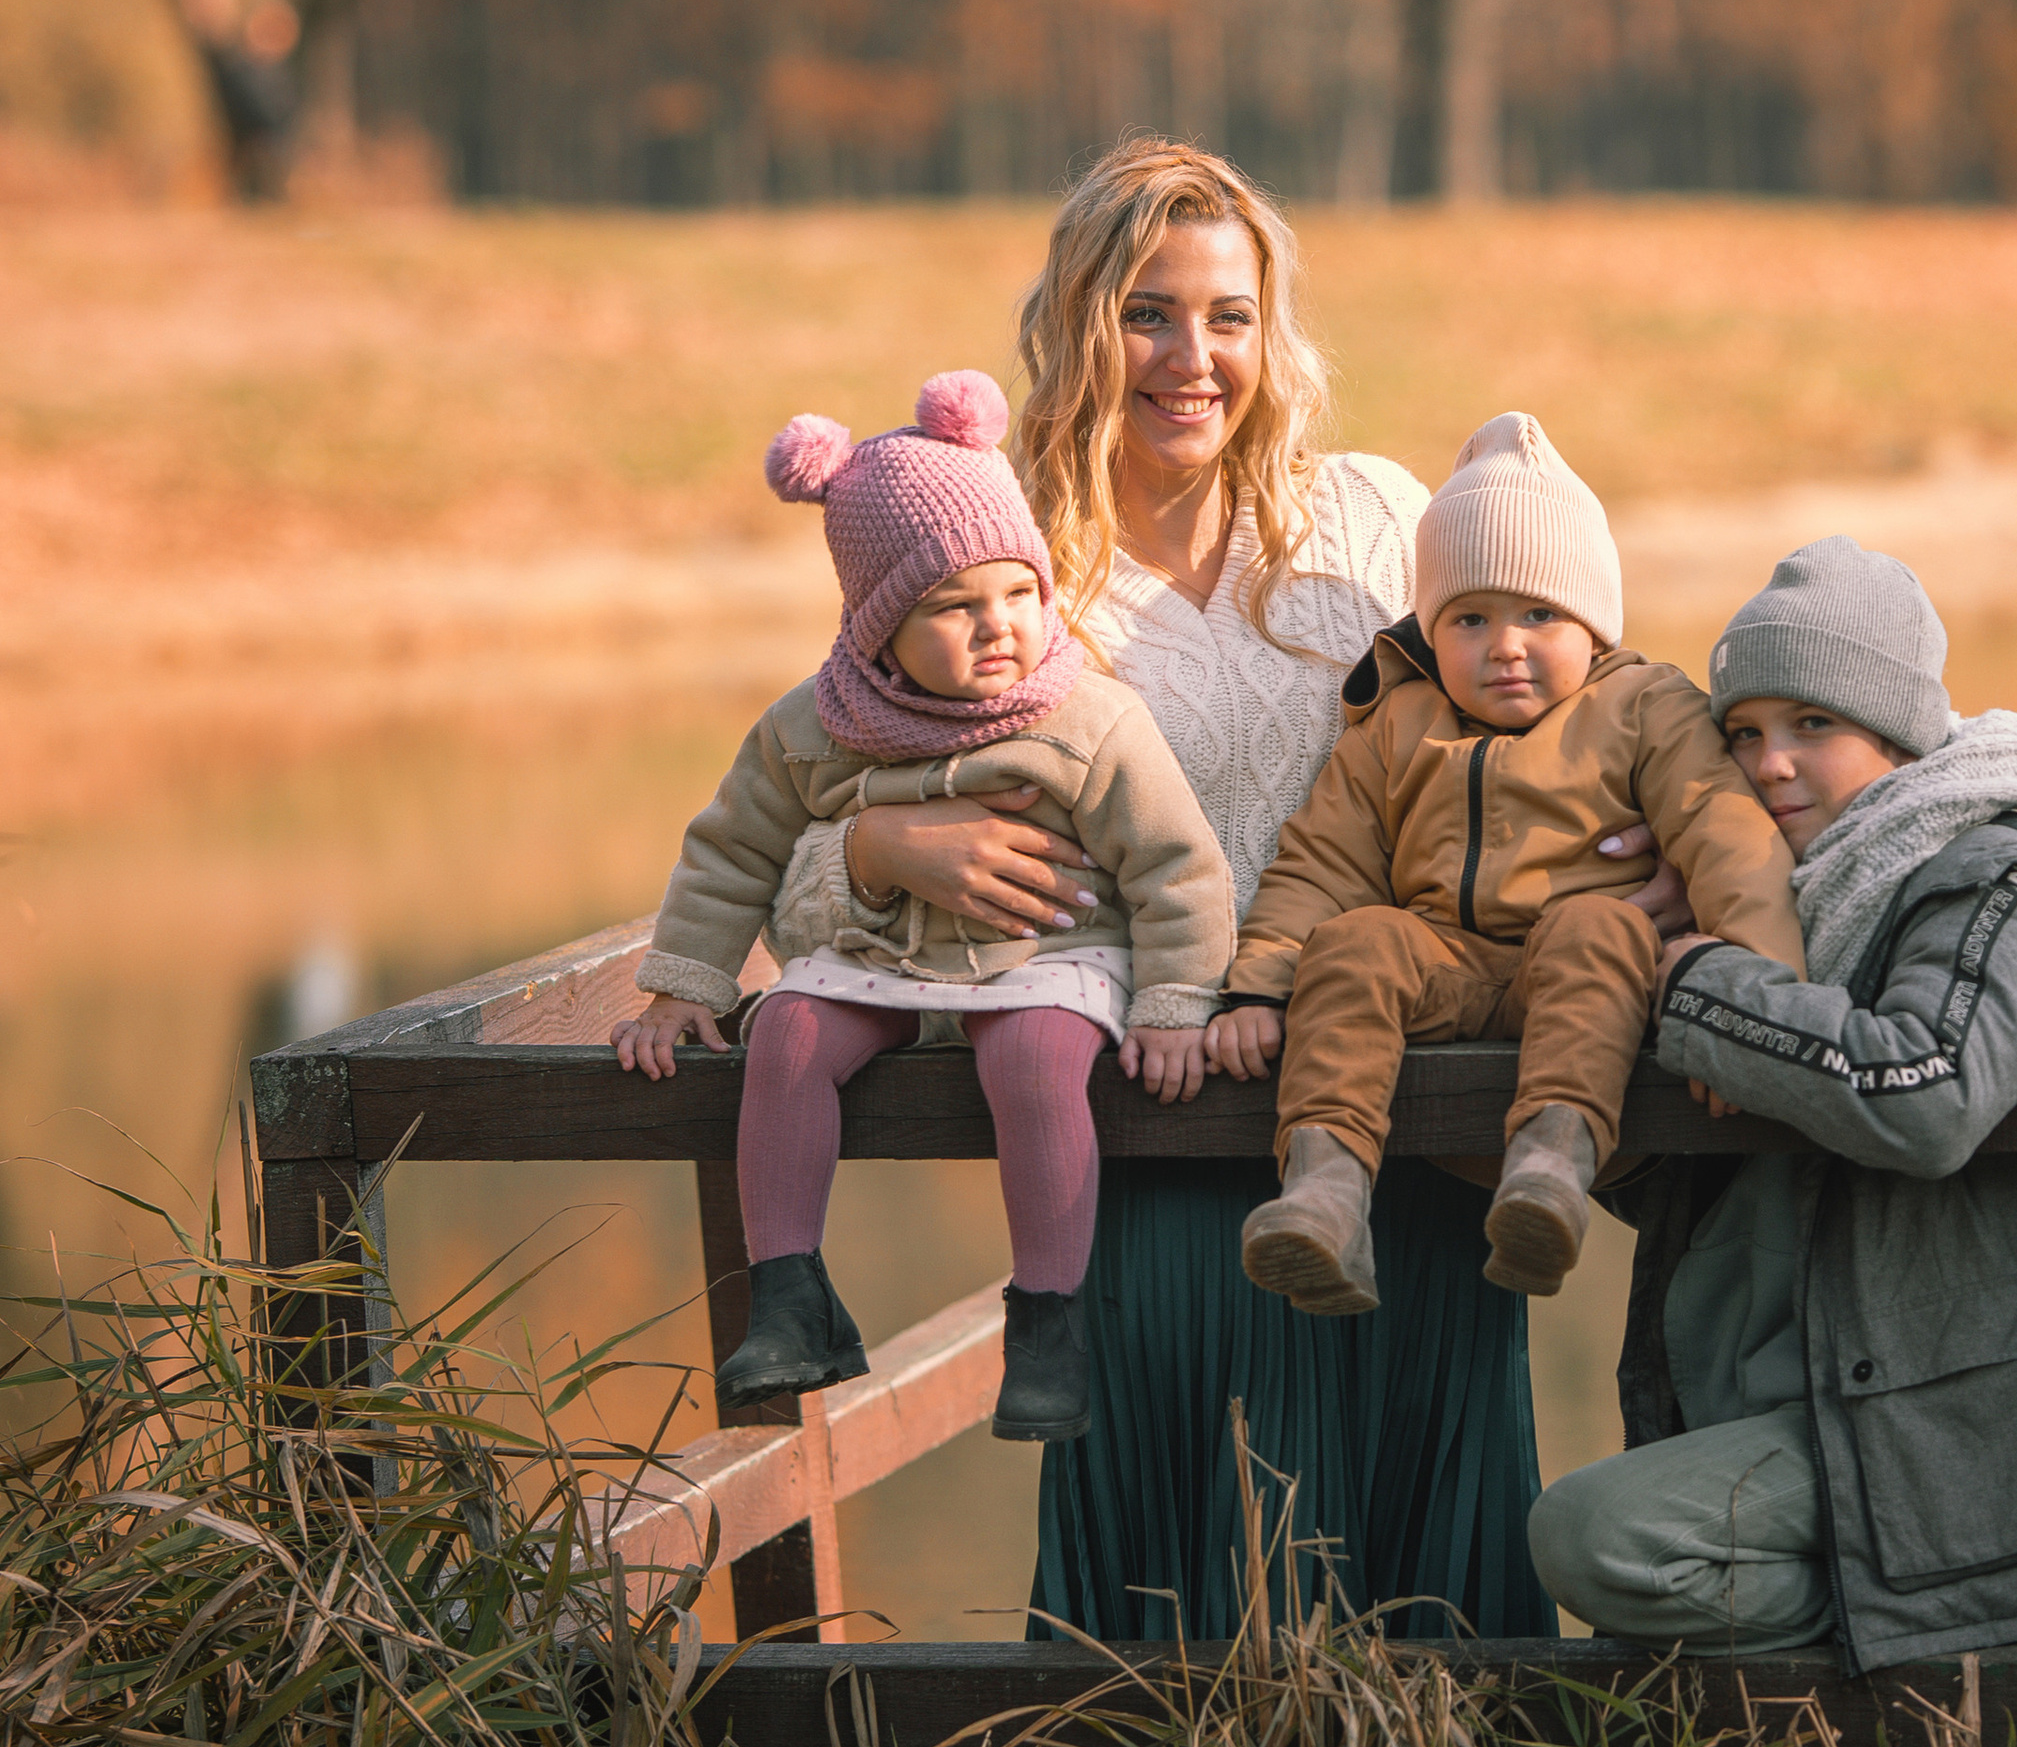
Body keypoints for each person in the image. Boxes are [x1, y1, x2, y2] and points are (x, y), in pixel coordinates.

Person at [768, 139, 1687, 1645]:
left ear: (1274, 333)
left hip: (1407, 1141)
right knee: (1167, 1624)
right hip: (1148, 1156)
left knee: (1426, 1610)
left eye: (1230, 314)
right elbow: (790, 848)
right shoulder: (999, 563)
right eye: (1146, 311)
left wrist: (1632, 865)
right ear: (1075, 325)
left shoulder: (1381, 528)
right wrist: (882, 853)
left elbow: (1580, 719)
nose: (1192, 358)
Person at [1527, 534, 2017, 1673]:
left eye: (1813, 726)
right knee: (1628, 1567)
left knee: (1594, 1538)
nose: (1770, 765)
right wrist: (1616, 948)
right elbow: (1700, 1194)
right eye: (1743, 734)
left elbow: (1926, 1095)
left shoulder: (1994, 882)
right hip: (1804, 1425)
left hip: (1950, 1441)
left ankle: (1979, 1587)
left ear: (1900, 734)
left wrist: (1693, 983)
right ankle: (1931, 1639)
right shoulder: (1768, 912)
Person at [612, 371, 1231, 1444]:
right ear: (878, 624)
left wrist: (1177, 1002)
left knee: (1035, 1059)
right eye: (951, 607)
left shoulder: (1088, 718)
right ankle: (790, 1297)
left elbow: (1178, 867)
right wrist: (681, 986)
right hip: (878, 955)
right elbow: (730, 852)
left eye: (1019, 595)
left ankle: (1046, 1321)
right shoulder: (815, 723)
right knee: (791, 1034)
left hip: (1052, 957)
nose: (999, 627)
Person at [1213, 410, 1801, 1314]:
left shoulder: (1642, 707)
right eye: (1470, 618)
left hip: (1579, 984)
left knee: (1602, 923)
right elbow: (1321, 863)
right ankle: (1325, 1191)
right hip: (1441, 967)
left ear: (1595, 624)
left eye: (1540, 614)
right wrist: (1260, 984)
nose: (1506, 645)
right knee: (1359, 938)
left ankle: (1550, 1169)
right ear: (1430, 627)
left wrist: (1754, 1002)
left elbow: (1726, 840)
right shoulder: (1398, 726)